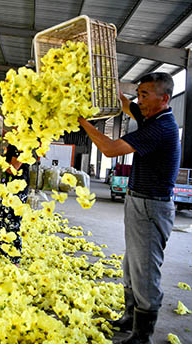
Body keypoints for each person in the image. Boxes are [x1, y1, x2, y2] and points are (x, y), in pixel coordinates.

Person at [78, 72, 180, 344]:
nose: (139, 100)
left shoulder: (160, 127)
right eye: (139, 94)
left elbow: (110, 149)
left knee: (145, 268)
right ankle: (129, 317)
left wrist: (82, 122)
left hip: (151, 206)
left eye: (145, 95)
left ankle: (142, 334)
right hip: (139, 201)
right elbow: (125, 104)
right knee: (131, 265)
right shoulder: (150, 116)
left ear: (164, 98)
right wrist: (102, 85)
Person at [0, 144, 30, 266]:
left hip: (17, 190)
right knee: (4, 222)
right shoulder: (15, 141)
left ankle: (14, 260)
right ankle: (4, 256)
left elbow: (13, 169)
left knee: (13, 224)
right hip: (8, 188)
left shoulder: (24, 145)